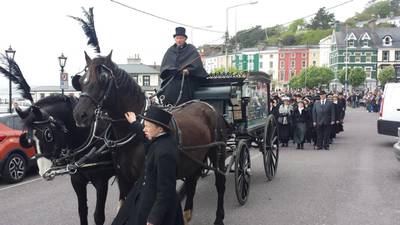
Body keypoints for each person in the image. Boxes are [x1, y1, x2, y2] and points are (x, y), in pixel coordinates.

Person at [112, 106, 183, 225]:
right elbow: (145, 139)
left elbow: (166, 190)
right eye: (144, 125)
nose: (144, 129)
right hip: (143, 193)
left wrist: (154, 218)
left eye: (147, 126)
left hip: (153, 204)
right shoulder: (159, 140)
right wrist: (134, 123)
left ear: (160, 129)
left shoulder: (165, 153)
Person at [159, 27, 208, 106]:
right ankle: (168, 106)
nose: (179, 40)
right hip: (173, 79)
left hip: (188, 79)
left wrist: (188, 71)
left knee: (183, 89)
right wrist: (172, 71)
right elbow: (165, 68)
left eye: (181, 38)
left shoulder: (191, 49)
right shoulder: (170, 51)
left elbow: (197, 66)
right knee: (166, 90)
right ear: (175, 39)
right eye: (177, 38)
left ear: (185, 39)